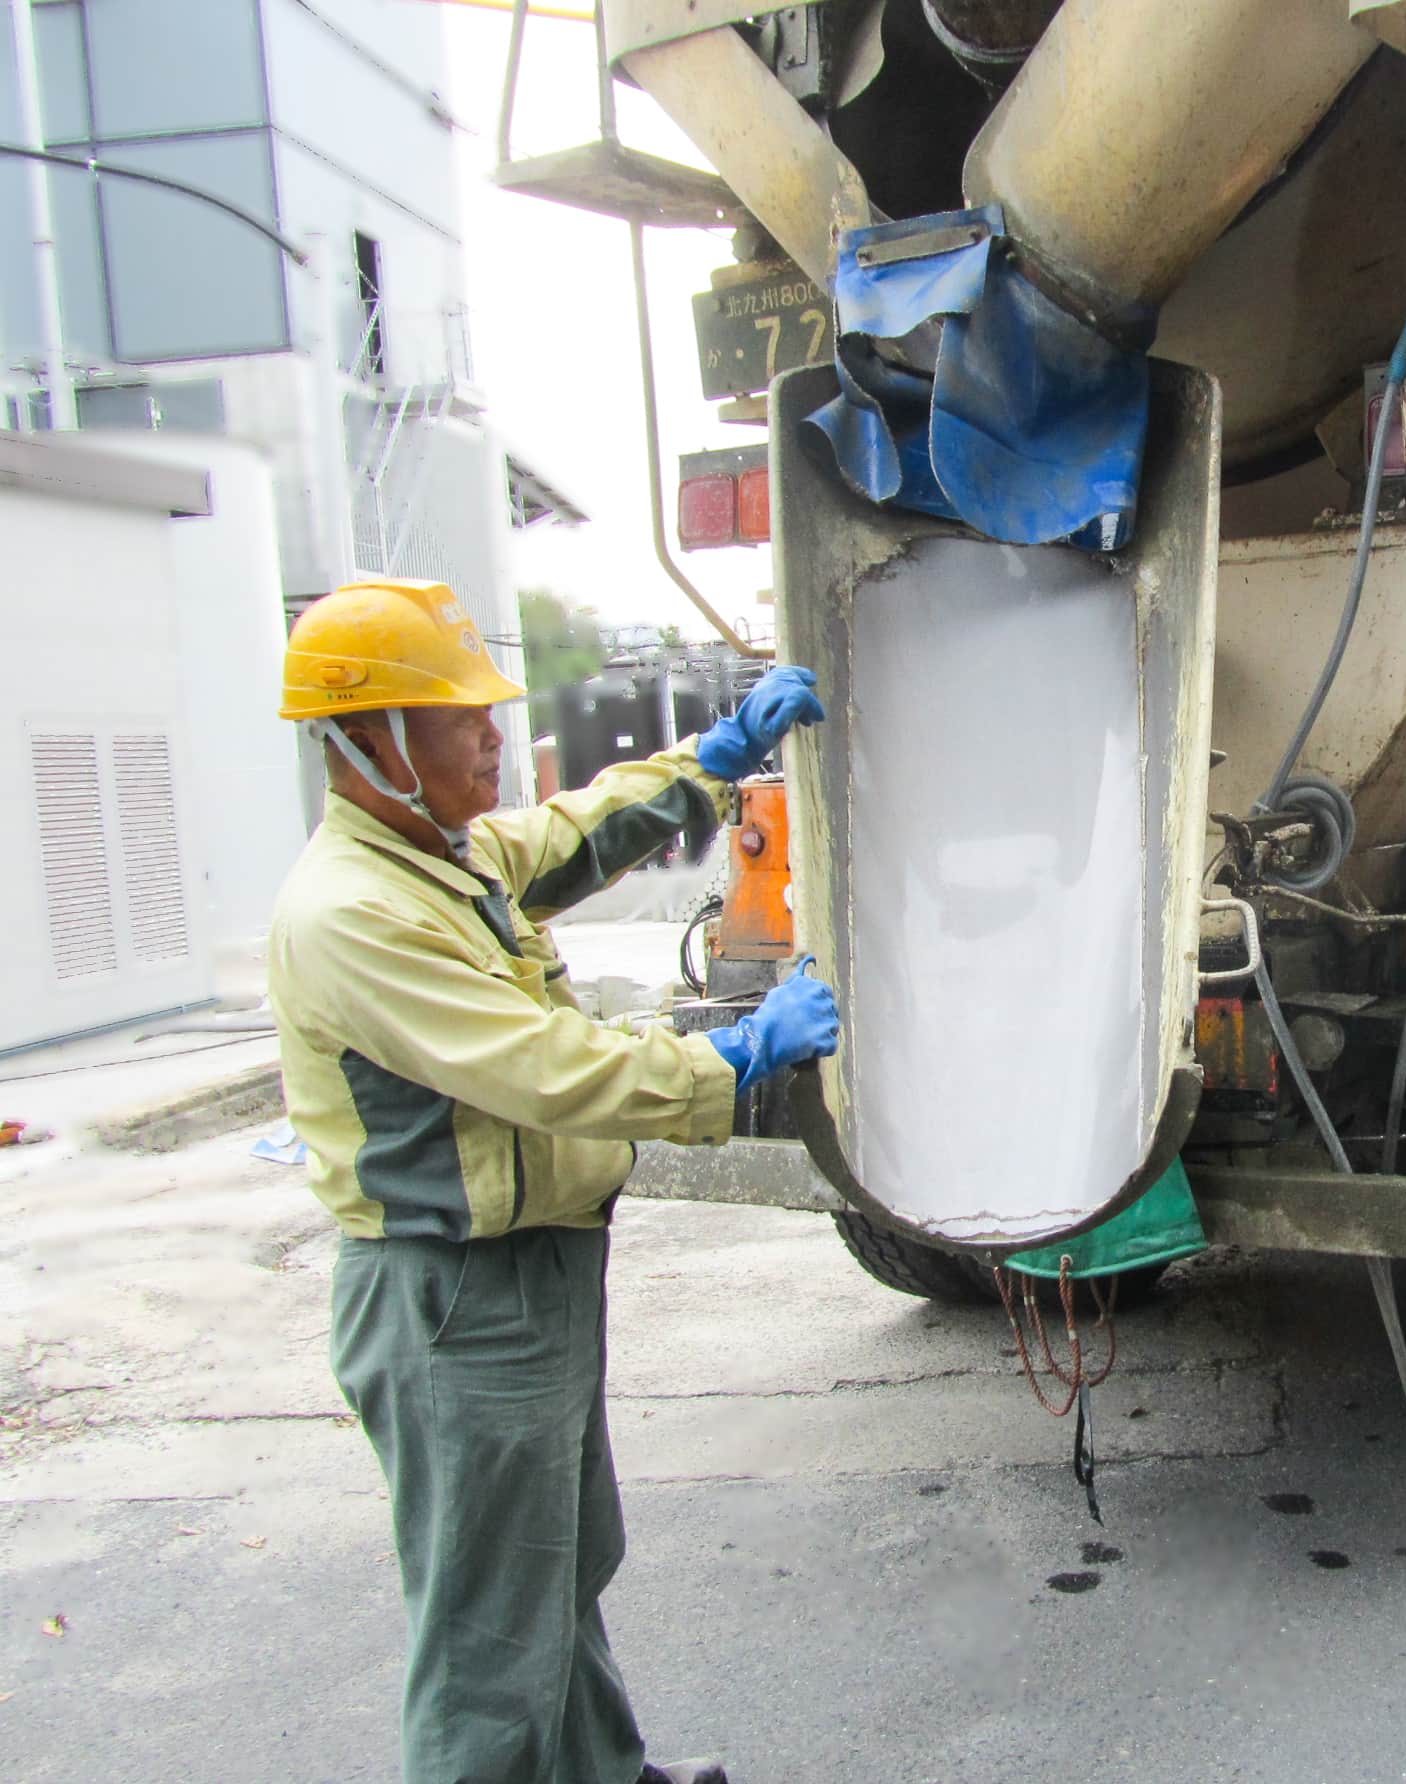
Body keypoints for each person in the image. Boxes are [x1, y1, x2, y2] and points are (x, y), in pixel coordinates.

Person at [269, 578, 838, 1784]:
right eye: (456, 715)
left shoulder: (441, 855)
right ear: (367, 741)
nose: (491, 734)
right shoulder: (353, 913)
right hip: (453, 1300)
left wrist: (716, 756)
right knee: (487, 1638)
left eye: (487, 709)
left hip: (525, 1273)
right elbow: (544, 1067)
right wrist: (730, 1057)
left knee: (555, 1569)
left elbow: (578, 831)